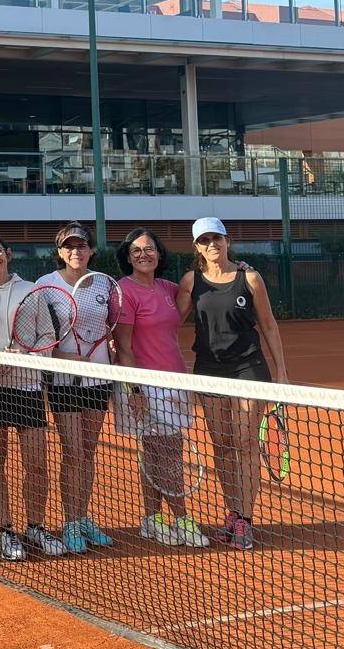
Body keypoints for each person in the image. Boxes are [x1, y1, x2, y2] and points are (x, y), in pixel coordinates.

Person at [176, 217, 288, 551]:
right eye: (205, 240)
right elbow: (168, 322)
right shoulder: (190, 281)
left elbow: (268, 325)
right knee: (222, 444)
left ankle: (245, 520)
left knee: (245, 441)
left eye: (217, 238)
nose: (212, 244)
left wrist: (281, 372)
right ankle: (233, 513)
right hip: (209, 369)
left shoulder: (249, 278)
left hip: (248, 368)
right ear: (197, 247)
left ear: (228, 241)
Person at [0, 233, 65, 561]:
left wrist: (28, 359)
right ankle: (6, 530)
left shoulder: (31, 291)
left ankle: (35, 526)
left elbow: (47, 336)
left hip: (28, 388)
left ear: (8, 254)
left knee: (37, 464)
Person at [112, 228, 209, 548]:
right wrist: (135, 391)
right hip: (144, 385)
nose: (144, 255)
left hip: (175, 381)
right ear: (128, 257)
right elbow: (123, 346)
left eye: (149, 249)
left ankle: (152, 520)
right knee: (169, 453)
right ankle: (182, 519)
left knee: (155, 453)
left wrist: (240, 267)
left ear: (159, 253)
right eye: (136, 250)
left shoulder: (168, 288)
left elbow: (201, 283)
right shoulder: (124, 292)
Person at [34, 222, 116, 553]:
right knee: (73, 451)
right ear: (59, 252)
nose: (75, 251)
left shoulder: (105, 284)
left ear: (91, 250)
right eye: (68, 246)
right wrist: (62, 356)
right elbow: (37, 334)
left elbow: (111, 327)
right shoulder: (46, 285)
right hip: (63, 380)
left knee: (88, 450)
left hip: (99, 378)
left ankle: (82, 518)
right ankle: (69, 522)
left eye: (81, 245)